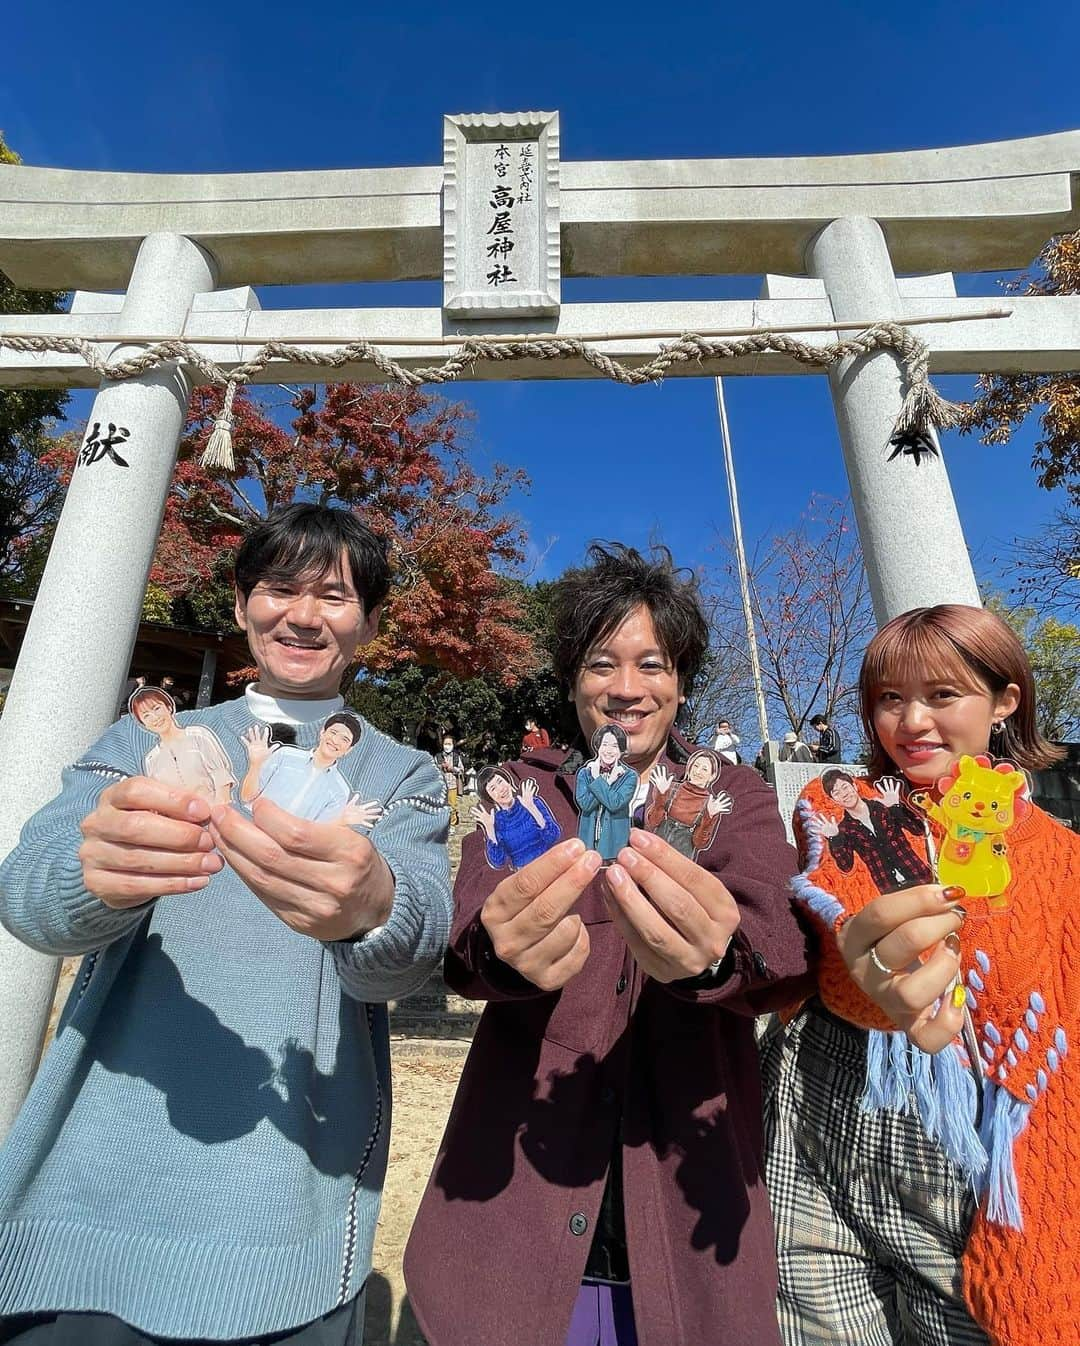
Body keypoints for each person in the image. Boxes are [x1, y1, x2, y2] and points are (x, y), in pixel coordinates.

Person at [0, 503, 452, 1346]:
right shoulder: (146, 742)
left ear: (371, 623)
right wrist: (89, 879)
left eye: (336, 596)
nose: (304, 616)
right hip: (88, 1193)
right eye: (280, 589)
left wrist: (374, 907)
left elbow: (413, 945)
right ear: (242, 605)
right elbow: (27, 890)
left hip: (289, 1206)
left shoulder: (402, 774)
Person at [405, 541, 816, 1346]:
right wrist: (503, 949)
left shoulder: (733, 796)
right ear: (571, 682)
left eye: (653, 665)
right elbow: (468, 928)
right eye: (601, 664)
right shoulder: (524, 791)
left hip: (688, 1205)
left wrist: (715, 959)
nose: (626, 688)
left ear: (682, 682)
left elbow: (780, 937)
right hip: (511, 1211)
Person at [764, 604, 1074, 1346]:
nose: (911, 721)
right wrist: (869, 985)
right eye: (888, 699)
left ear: (1006, 702)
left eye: (942, 695)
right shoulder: (846, 813)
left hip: (975, 1159)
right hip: (818, 1121)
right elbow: (837, 931)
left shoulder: (1062, 859)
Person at [239, 711, 382, 827]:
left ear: (349, 750)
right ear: (322, 733)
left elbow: (317, 835)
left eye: (344, 739)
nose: (335, 741)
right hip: (249, 827)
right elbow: (246, 796)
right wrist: (255, 765)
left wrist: (341, 821)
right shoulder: (285, 755)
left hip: (282, 850)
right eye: (333, 732)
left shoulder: (340, 790)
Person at [130, 685, 235, 805]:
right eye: (146, 716)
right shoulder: (152, 759)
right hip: (178, 821)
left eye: (157, 708)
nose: (155, 718)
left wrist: (219, 812)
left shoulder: (198, 735)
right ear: (144, 724)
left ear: (169, 707)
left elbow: (222, 779)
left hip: (214, 813)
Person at [644, 748, 733, 859]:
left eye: (704, 769)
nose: (697, 771)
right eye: (695, 766)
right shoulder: (669, 788)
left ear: (712, 776)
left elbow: (699, 843)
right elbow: (652, 822)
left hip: (680, 859)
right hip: (655, 850)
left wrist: (709, 816)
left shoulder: (711, 805)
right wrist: (661, 795)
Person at [472, 765, 561, 871]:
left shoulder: (532, 802)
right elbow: (498, 862)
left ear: (508, 781)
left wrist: (532, 808)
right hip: (525, 877)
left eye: (500, 781)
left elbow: (553, 836)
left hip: (550, 865)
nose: (501, 789)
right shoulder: (496, 822)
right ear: (490, 798)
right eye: (493, 789)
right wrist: (489, 829)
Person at [575, 722, 638, 861]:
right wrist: (605, 781)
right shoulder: (585, 774)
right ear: (598, 747)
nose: (609, 750)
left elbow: (615, 804)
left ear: (621, 750)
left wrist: (598, 780)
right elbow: (585, 805)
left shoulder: (629, 775)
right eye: (605, 745)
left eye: (614, 746)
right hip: (588, 842)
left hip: (615, 845)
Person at [435, 734, 466, 826]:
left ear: (453, 745)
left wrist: (452, 768)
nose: (447, 746)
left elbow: (461, 770)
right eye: (445, 744)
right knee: (440, 805)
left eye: (449, 744)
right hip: (441, 785)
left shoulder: (456, 757)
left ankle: (452, 824)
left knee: (452, 806)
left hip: (452, 785)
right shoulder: (438, 756)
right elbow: (433, 769)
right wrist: (441, 767)